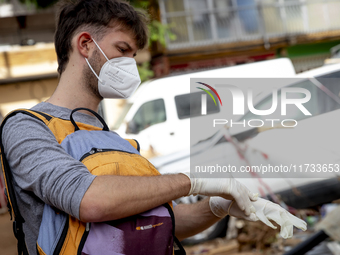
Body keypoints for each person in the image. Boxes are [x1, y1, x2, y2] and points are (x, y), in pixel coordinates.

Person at [1, 0, 306, 254]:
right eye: (122, 50)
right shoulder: (27, 127)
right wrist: (192, 182)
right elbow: (89, 200)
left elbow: (161, 222)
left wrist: (218, 206)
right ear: (84, 44)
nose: (130, 66)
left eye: (133, 56)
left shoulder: (114, 140)